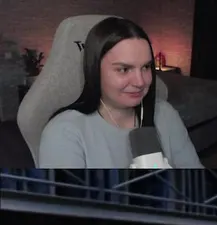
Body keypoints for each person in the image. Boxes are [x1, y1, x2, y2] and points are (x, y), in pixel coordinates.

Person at [38, 17, 202, 169]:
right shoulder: (64, 132)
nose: (140, 82)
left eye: (145, 67)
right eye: (124, 69)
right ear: (95, 70)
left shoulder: (165, 114)